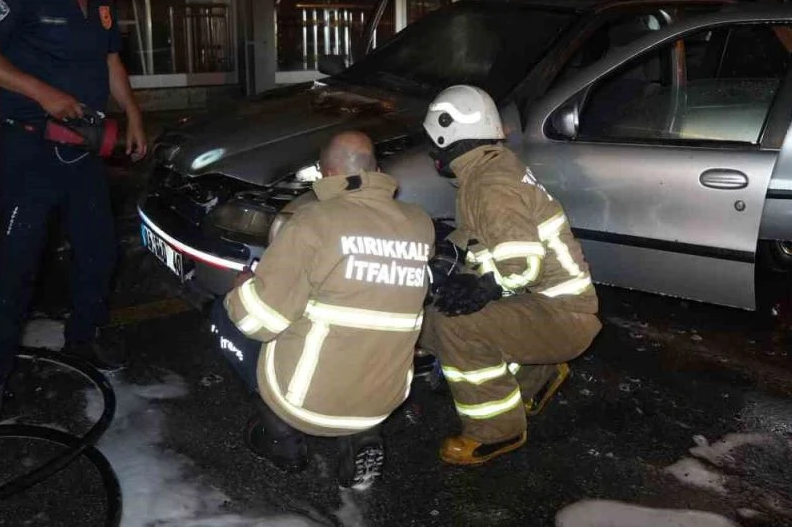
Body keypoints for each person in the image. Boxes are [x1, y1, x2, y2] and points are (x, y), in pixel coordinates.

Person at [0, 0, 148, 426]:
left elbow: (111, 60)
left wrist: (132, 115)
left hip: (82, 147)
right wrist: (43, 93)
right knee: (19, 263)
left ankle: (82, 341)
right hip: (30, 148)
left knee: (99, 252)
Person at [208, 131, 435, 489]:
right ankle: (363, 434)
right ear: (376, 169)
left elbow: (259, 320)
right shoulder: (420, 224)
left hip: (304, 404)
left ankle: (282, 438)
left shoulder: (313, 221)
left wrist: (242, 289)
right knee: (361, 321)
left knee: (227, 316)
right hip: (384, 399)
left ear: (326, 175)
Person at [418, 84, 601, 465]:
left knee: (457, 326)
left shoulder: (489, 183)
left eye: (432, 143)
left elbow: (521, 264)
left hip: (560, 314)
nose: (431, 152)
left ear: (445, 135)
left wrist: (485, 286)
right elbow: (485, 238)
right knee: (443, 318)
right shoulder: (488, 169)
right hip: (556, 306)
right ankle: (539, 375)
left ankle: (497, 433)